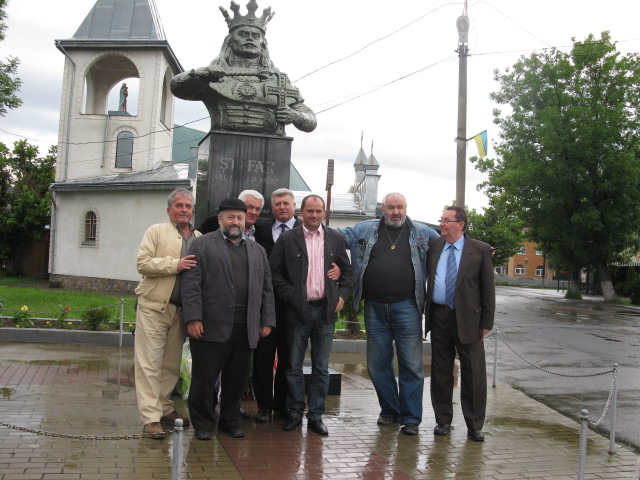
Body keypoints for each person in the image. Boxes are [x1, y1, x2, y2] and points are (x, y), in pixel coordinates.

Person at [339, 192, 439, 435]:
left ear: (406, 208)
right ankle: (390, 410)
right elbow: (332, 238)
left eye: (400, 207)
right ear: (382, 209)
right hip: (374, 307)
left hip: (408, 307)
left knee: (411, 365)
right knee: (376, 365)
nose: (396, 212)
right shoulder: (365, 229)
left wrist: (477, 247)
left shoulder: (424, 233)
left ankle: (411, 418)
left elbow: (452, 242)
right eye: (391, 207)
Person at [181, 198, 275, 440]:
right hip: (210, 324)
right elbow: (191, 285)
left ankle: (229, 421)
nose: (236, 222)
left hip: (245, 327)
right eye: (231, 217)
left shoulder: (258, 250)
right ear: (220, 219)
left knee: (237, 378)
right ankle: (202, 422)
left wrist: (266, 320)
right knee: (204, 378)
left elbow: (266, 288)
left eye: (240, 218)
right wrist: (193, 318)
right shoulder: (201, 245)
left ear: (245, 221)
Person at [270, 195, 352, 435]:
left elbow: (347, 272)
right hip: (297, 312)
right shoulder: (288, 239)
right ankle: (295, 412)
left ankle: (316, 416)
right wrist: (292, 296)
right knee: (293, 366)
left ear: (324, 212)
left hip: (325, 313)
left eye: (318, 211)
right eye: (310, 211)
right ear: (301, 213)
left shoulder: (335, 238)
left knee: (321, 368)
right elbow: (274, 273)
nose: (314, 215)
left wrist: (342, 296)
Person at [170, 0, 316, 136]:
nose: (250, 38)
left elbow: (311, 120)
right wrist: (201, 74)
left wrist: (296, 116)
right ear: (231, 42)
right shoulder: (213, 75)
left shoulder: (278, 81)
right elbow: (177, 87)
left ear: (262, 44)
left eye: (255, 35)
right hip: (222, 144)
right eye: (243, 34)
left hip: (270, 147)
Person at [133, 188, 200, 438]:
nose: (184, 210)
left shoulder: (199, 236)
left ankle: (164, 408)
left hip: (182, 311)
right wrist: (175, 265)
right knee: (149, 364)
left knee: (171, 366)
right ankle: (150, 418)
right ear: (169, 209)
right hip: (154, 307)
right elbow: (143, 263)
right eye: (180, 205)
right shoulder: (156, 231)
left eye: (189, 206)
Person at [425, 206, 495, 442]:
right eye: (441, 220)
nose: (442, 224)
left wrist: (487, 322)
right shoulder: (434, 246)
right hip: (439, 317)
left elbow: (488, 290)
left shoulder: (481, 250)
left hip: (470, 320)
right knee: (441, 371)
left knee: (474, 373)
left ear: (461, 224)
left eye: (446, 220)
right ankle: (443, 421)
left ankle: (474, 425)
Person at [252, 188, 301, 421]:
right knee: (263, 356)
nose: (282, 207)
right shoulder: (260, 229)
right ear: (271, 208)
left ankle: (282, 404)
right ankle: (263, 405)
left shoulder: (305, 230)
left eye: (286, 203)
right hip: (264, 304)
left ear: (294, 206)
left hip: (293, 305)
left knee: (288, 357)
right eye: (277, 204)